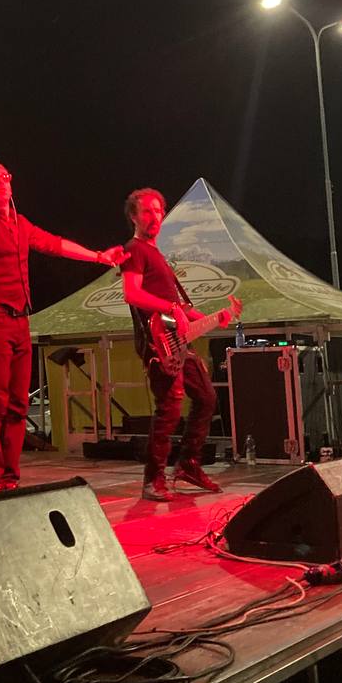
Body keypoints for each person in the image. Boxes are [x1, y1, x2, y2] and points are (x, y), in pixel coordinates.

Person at [0, 163, 124, 493]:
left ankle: (10, 477)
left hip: (20, 320)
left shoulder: (20, 224)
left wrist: (98, 256)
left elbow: (55, 244)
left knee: (18, 404)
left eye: (6, 177)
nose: (2, 182)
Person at [121, 187, 235, 502]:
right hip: (158, 341)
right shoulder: (134, 249)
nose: (154, 217)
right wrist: (170, 308)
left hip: (178, 339)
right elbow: (132, 293)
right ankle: (153, 479)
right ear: (134, 217)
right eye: (147, 211)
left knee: (206, 397)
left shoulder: (156, 255)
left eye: (158, 211)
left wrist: (215, 317)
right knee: (169, 407)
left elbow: (180, 307)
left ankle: (188, 464)